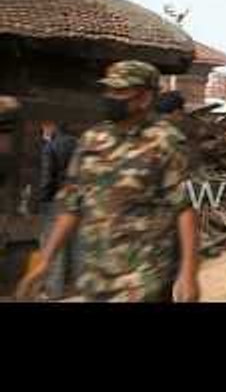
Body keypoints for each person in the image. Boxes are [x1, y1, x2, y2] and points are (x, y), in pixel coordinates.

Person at [16, 60, 200, 302]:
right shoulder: (92, 139)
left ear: (144, 98)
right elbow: (72, 204)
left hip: (144, 277)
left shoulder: (165, 142)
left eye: (120, 91)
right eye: (109, 90)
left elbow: (184, 209)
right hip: (95, 275)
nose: (110, 97)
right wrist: (45, 260)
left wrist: (188, 272)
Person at [37, 121, 80, 300]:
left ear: (52, 128)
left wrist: (43, 199)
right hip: (77, 199)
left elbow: (47, 178)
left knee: (53, 243)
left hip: (56, 199)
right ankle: (77, 287)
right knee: (77, 244)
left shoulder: (50, 147)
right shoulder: (80, 145)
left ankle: (54, 290)